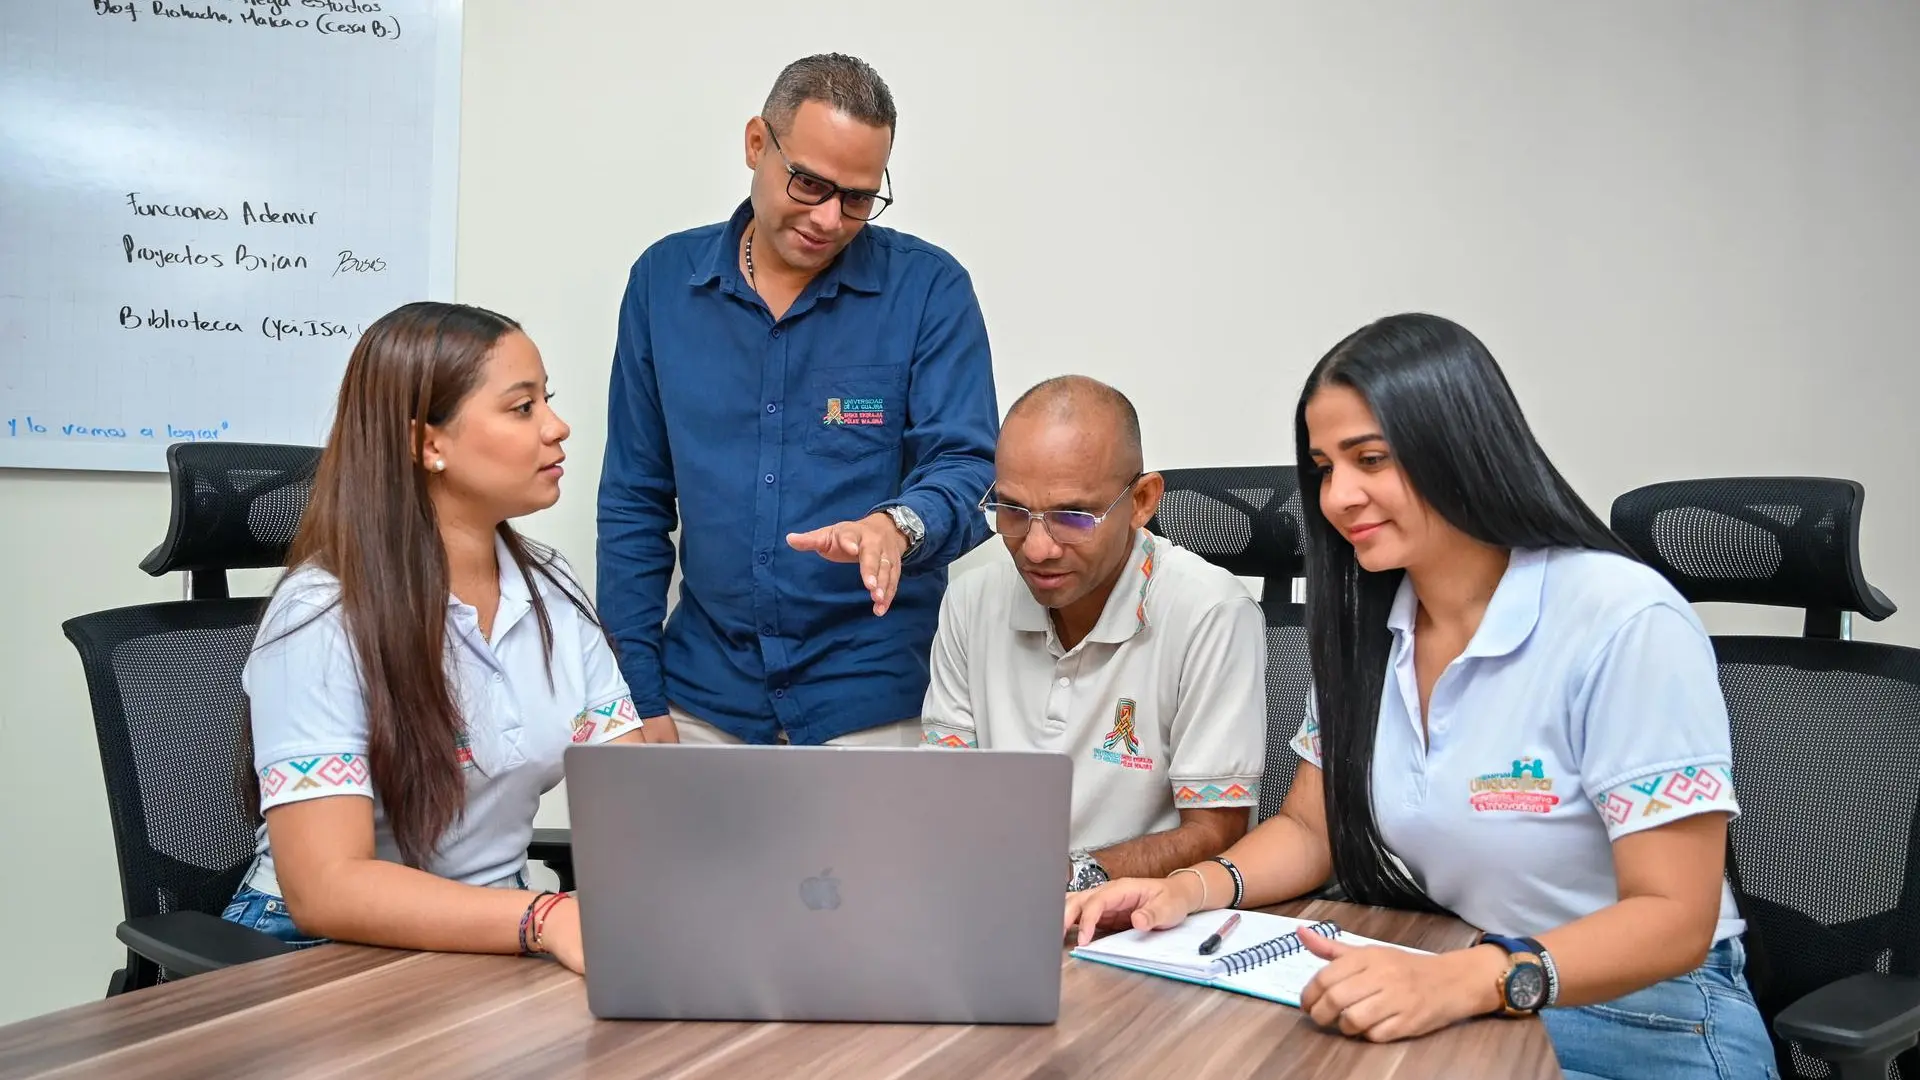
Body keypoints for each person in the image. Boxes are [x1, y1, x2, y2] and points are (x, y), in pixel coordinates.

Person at [1065, 314, 1777, 1079]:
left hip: (1652, 1023)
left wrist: (1463, 982)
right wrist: (1185, 891)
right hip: (1468, 985)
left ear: (1461, 448)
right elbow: (1313, 827)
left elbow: (1676, 919)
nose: (1340, 496)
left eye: (1370, 459)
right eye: (1324, 467)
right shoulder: (1372, 622)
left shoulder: (1622, 621)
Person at [223, 301, 660, 975]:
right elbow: (325, 887)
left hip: (497, 933)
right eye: (522, 408)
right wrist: (543, 917)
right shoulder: (321, 614)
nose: (557, 427)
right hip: (316, 951)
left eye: (548, 400)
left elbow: (638, 794)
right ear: (428, 443)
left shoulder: (548, 586)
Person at [597, 52, 998, 747]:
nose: (828, 218)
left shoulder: (929, 291)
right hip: (702, 695)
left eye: (857, 198)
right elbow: (635, 499)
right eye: (809, 184)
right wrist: (637, 692)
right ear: (757, 144)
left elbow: (968, 466)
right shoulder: (663, 283)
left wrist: (897, 525)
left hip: (874, 696)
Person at [921, 375, 1265, 892]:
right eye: (1013, 511)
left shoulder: (1208, 611)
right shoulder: (971, 601)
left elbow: (1217, 832)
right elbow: (942, 794)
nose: (1037, 548)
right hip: (992, 905)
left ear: (1143, 501)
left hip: (1144, 923)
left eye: (1073, 516)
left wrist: (1069, 876)